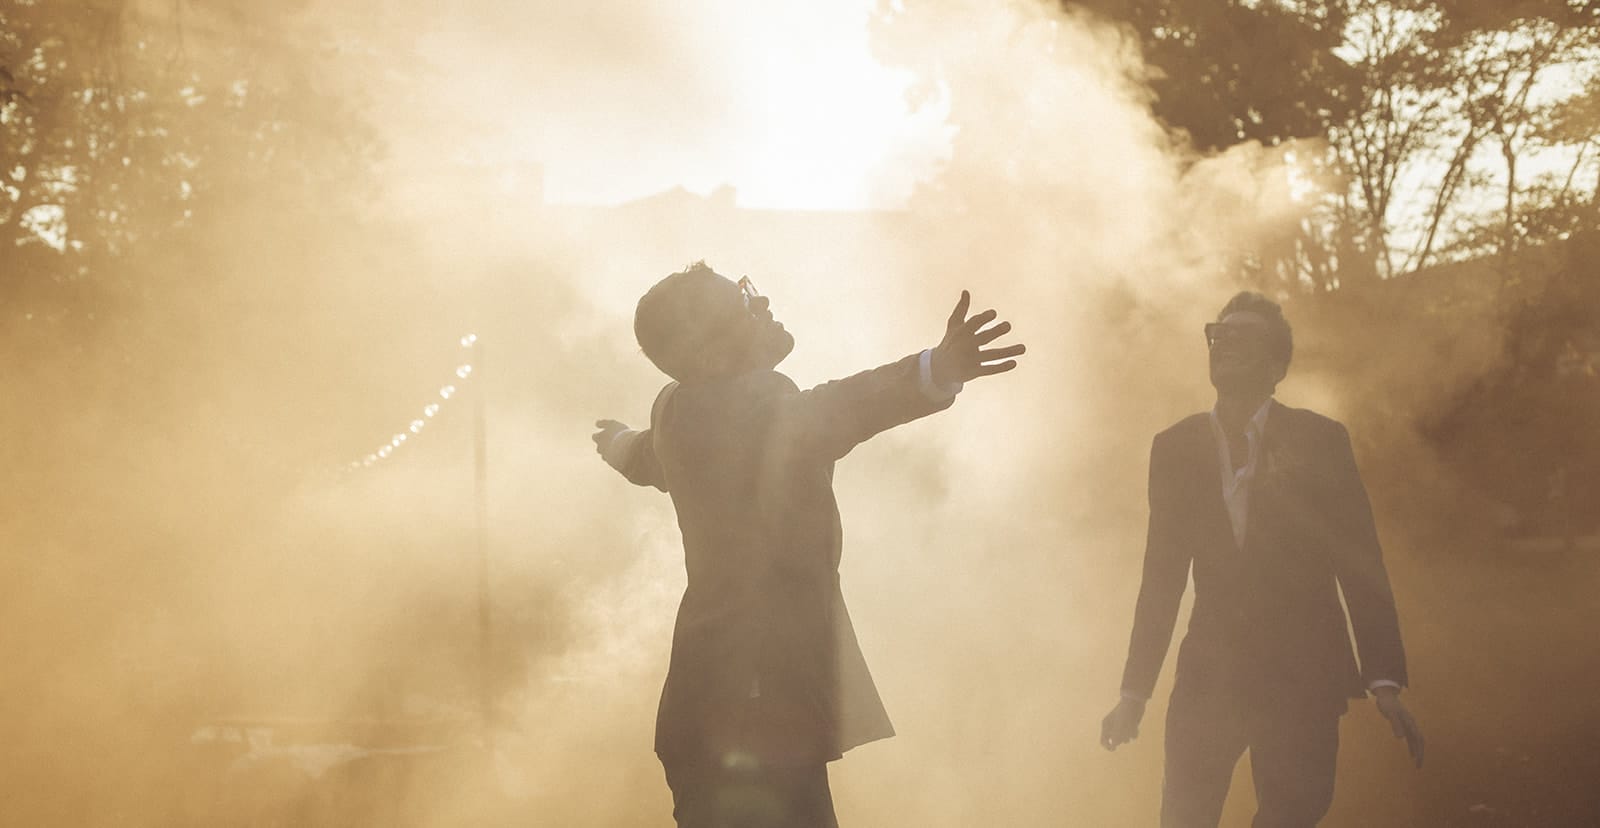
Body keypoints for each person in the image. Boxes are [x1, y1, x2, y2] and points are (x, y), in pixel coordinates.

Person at [593, 262, 1024, 827]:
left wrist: (620, 444)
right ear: (708, 348)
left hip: (722, 714)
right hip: (751, 715)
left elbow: (653, 456)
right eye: (743, 301)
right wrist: (934, 369)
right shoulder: (752, 405)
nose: (762, 301)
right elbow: (836, 409)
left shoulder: (677, 408)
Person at [1100, 291, 1425, 827]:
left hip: (1304, 677)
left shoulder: (1322, 440)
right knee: (1182, 817)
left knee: (1292, 816)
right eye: (1216, 334)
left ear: (1276, 366)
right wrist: (1134, 693)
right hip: (1209, 676)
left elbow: (1360, 563)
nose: (1222, 344)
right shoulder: (1174, 448)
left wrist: (1384, 679)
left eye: (1242, 337)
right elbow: (1161, 579)